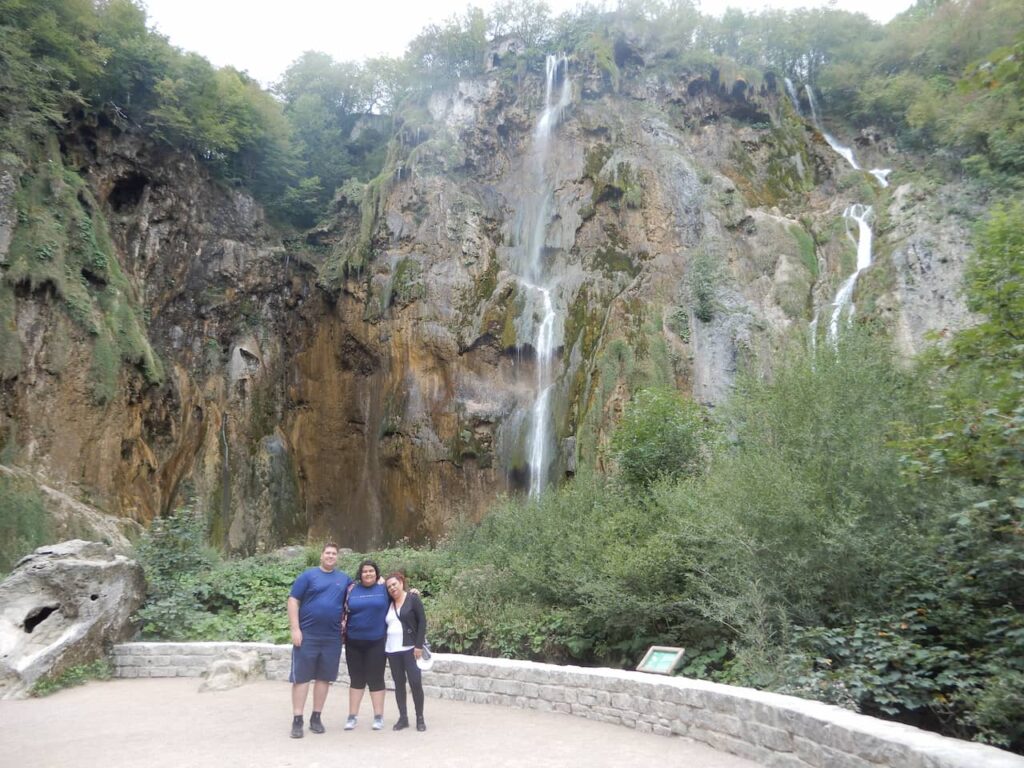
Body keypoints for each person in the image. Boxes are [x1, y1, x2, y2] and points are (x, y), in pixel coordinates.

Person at [287, 542, 351, 739]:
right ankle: (298, 719)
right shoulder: (308, 575)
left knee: (324, 678)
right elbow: (293, 601)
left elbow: (360, 594)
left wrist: (383, 581)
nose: (331, 556)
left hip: (332, 637)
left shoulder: (344, 579)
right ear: (321, 555)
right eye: (328, 553)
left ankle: (316, 717)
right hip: (307, 635)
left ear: (337, 557)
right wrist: (295, 629)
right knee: (302, 678)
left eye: (334, 553)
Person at [343, 558, 389, 731]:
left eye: (371, 571)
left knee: (376, 679)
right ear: (360, 574)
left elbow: (401, 597)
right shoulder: (352, 590)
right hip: (353, 641)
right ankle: (352, 716)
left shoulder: (384, 589)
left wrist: (413, 592)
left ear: (377, 573)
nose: (368, 574)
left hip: (376, 641)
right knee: (356, 680)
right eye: (364, 571)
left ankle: (378, 716)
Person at [384, 572, 428, 731]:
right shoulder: (388, 602)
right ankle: (403, 718)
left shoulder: (412, 599)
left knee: (415, 683)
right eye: (389, 586)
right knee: (399, 684)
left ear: (401, 582)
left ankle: (420, 718)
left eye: (394, 584)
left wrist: (418, 645)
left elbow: (422, 622)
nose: (392, 588)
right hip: (392, 650)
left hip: (410, 649)